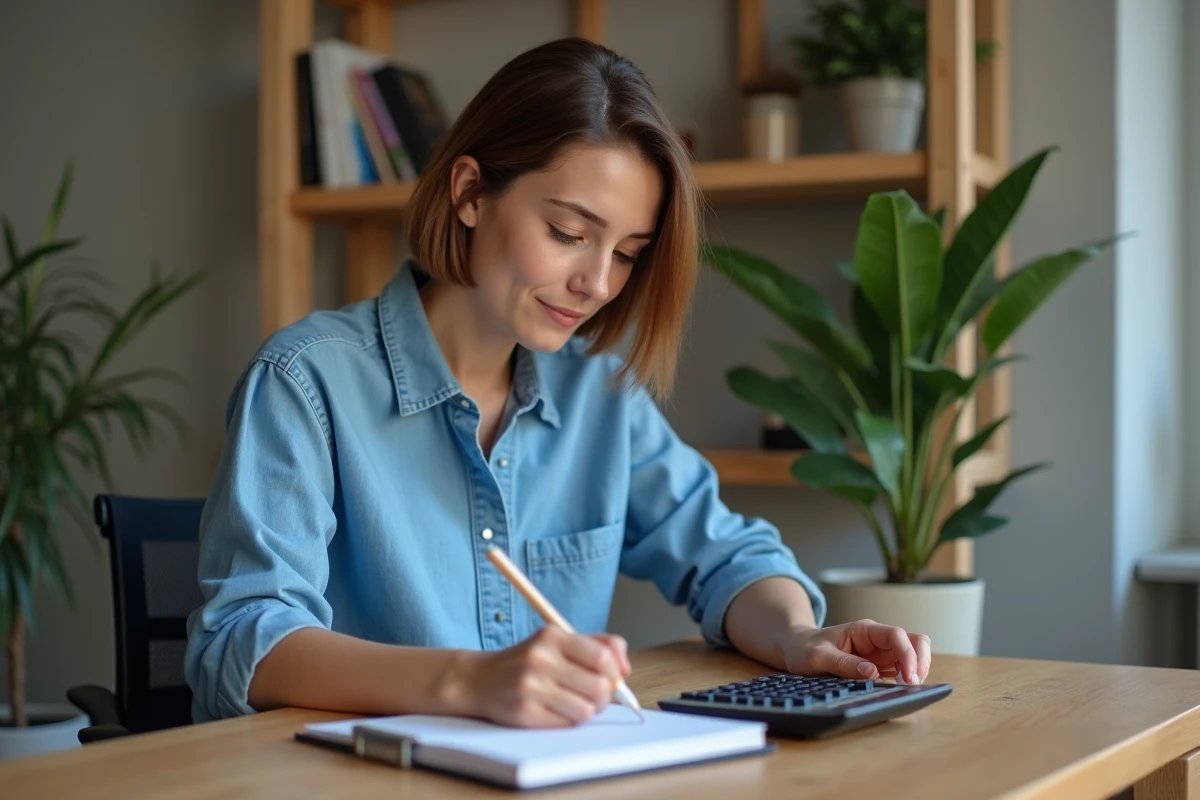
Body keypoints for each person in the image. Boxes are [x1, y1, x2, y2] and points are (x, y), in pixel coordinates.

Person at [184, 37, 931, 728]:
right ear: (471, 192)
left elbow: (731, 558)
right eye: (569, 234)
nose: (598, 283)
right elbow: (244, 642)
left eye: (629, 253)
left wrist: (800, 638)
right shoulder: (306, 382)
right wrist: (469, 682)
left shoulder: (600, 399)